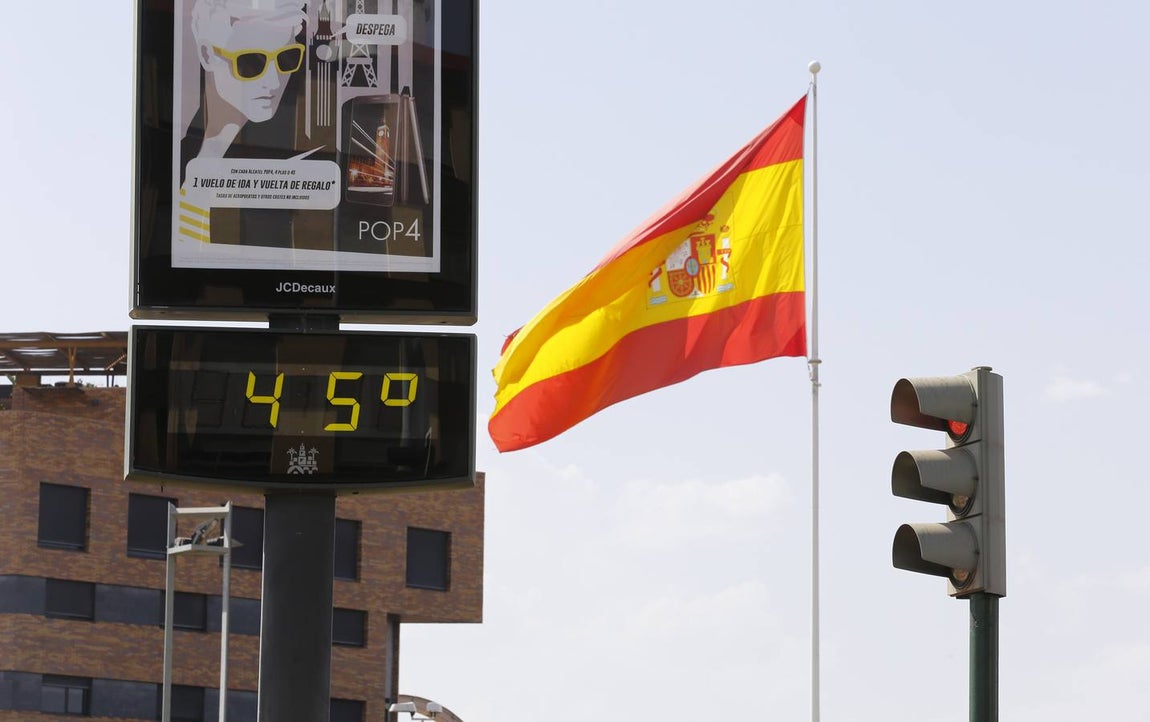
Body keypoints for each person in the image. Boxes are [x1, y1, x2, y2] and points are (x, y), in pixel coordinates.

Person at [178, 0, 308, 248]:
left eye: (287, 58)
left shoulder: (284, 165)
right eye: (252, 62)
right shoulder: (178, 166)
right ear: (207, 54)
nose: (273, 82)